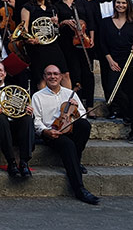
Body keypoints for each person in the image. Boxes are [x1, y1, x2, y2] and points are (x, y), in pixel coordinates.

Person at [32, 65, 98, 204]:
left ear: (61, 77)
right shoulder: (37, 96)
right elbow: (36, 121)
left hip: (69, 128)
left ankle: (75, 160)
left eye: (55, 74)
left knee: (84, 125)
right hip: (51, 132)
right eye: (49, 74)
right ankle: (79, 189)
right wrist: (46, 131)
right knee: (68, 145)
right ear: (44, 77)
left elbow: (82, 116)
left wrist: (75, 112)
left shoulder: (70, 94)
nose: (52, 77)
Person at [99, 0, 133, 143]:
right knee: (113, 90)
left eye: (123, 3)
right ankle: (128, 113)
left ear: (128, 5)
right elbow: (102, 44)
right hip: (114, 62)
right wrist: (110, 60)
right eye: (118, 2)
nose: (120, 5)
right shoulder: (106, 22)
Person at [55, 0, 95, 112]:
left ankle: (90, 104)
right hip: (66, 43)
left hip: (84, 41)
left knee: (88, 72)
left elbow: (91, 21)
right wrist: (63, 22)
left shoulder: (82, 2)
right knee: (73, 72)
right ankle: (75, 106)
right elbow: (55, 27)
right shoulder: (57, 5)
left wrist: (91, 38)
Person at [21, 0, 71, 90]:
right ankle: (44, 104)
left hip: (52, 44)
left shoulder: (52, 8)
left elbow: (56, 30)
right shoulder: (28, 7)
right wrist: (29, 39)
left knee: (64, 74)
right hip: (37, 46)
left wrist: (56, 23)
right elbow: (24, 27)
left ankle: (69, 102)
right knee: (42, 77)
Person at [87, 0, 115, 105]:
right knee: (107, 78)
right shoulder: (91, 5)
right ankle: (112, 107)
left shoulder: (120, 1)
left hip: (120, 44)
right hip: (102, 45)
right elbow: (91, 24)